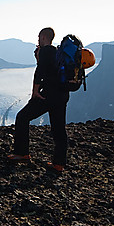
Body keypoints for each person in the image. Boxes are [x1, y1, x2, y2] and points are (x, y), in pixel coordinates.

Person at [7, 27, 69, 173]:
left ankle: (22, 153)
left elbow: (40, 71)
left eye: (39, 37)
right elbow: (50, 69)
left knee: (22, 117)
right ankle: (58, 164)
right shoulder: (59, 53)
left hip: (47, 95)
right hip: (62, 95)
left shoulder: (46, 51)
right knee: (59, 129)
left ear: (42, 37)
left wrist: (35, 91)